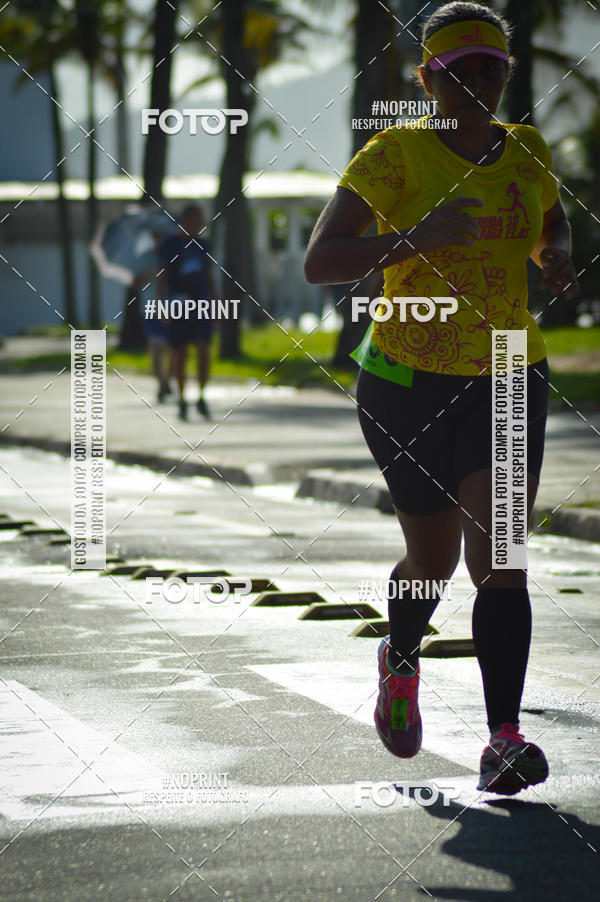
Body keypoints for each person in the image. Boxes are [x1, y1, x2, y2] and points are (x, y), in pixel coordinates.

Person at [304, 1, 579, 795]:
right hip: (406, 379)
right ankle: (400, 658)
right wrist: (416, 237)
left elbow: (551, 222)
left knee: (501, 559)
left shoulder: (527, 150)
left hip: (507, 369)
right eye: (461, 72)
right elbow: (322, 261)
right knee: (434, 560)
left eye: (493, 69)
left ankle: (503, 740)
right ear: (428, 79)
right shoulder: (393, 156)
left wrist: (556, 257)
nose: (479, 84)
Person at [158, 204, 217, 421]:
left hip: (201, 305)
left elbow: (209, 277)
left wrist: (215, 305)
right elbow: (162, 277)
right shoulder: (170, 245)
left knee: (203, 348)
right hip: (177, 303)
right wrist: (161, 306)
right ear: (186, 220)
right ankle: (182, 398)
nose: (199, 225)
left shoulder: (203, 245)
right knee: (179, 352)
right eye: (196, 220)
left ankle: (201, 395)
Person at [134, 233, 172, 403]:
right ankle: (162, 383)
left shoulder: (172, 256)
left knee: (171, 348)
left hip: (171, 308)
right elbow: (134, 283)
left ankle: (168, 379)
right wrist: (145, 275)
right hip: (150, 309)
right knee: (155, 348)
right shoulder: (144, 259)